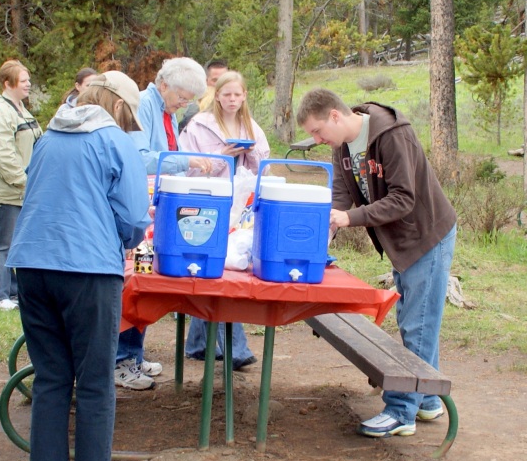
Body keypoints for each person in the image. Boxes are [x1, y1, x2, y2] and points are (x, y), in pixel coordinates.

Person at [8, 78, 150, 461]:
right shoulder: (116, 141)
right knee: (94, 376)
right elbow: (133, 217)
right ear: (120, 107)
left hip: (31, 263)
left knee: (51, 373)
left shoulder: (48, 137)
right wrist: (125, 240)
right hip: (88, 268)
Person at [298, 88, 458, 437]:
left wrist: (350, 219)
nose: (317, 139)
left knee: (417, 325)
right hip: (400, 240)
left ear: (335, 116)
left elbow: (403, 198)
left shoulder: (391, 134)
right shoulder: (342, 145)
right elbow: (341, 195)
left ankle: (401, 411)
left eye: (318, 131)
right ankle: (428, 400)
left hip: (426, 235)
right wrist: (327, 228)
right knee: (416, 320)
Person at [117, 58, 208, 389]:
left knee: (144, 280)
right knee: (133, 282)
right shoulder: (143, 105)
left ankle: (133, 354)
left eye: (189, 100)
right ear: (164, 84)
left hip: (155, 210)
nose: (184, 104)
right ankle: (120, 359)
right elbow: (139, 158)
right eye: (182, 97)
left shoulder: (167, 113)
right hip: (137, 211)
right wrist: (185, 161)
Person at [180, 71, 272, 369]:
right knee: (217, 269)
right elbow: (185, 168)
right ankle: (236, 348)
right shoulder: (198, 125)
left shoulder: (252, 127)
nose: (232, 99)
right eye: (227, 94)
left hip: (240, 206)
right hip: (205, 203)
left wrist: (250, 153)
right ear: (217, 95)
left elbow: (265, 169)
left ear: (245, 96)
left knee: (215, 268)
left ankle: (198, 343)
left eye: (237, 94)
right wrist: (222, 156)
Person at [0, 59, 40, 311]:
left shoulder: (20, 109)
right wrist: (23, 182)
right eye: (23, 80)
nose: (28, 84)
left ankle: (13, 291)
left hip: (22, 191)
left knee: (16, 243)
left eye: (28, 80)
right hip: (5, 191)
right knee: (1, 243)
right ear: (8, 83)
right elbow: (3, 153)